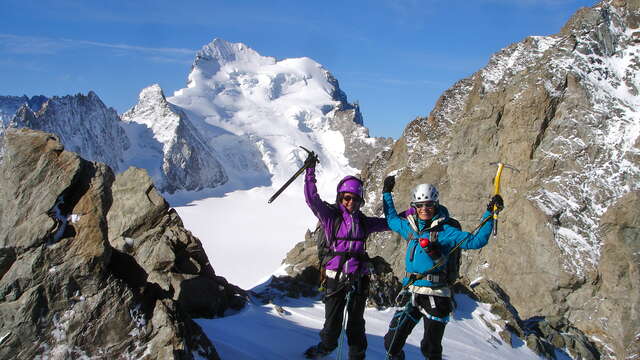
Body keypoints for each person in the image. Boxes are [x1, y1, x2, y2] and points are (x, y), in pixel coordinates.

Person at [381, 175, 503, 360]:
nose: (424, 209)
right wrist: (386, 193)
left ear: (436, 204)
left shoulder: (446, 231)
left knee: (431, 350)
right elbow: (391, 219)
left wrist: (490, 214)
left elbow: (476, 241)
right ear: (414, 207)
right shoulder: (410, 228)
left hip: (436, 296)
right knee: (392, 343)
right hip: (412, 291)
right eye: (420, 205)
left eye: (428, 205)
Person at [302, 152, 390, 360]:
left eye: (355, 199)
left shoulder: (364, 222)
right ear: (340, 198)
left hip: (359, 279)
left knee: (356, 326)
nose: (351, 202)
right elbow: (312, 199)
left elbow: (390, 223)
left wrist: (416, 212)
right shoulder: (331, 218)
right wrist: (310, 172)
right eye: (346, 198)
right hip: (336, 280)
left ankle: (356, 356)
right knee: (332, 326)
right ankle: (324, 348)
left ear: (360, 201)